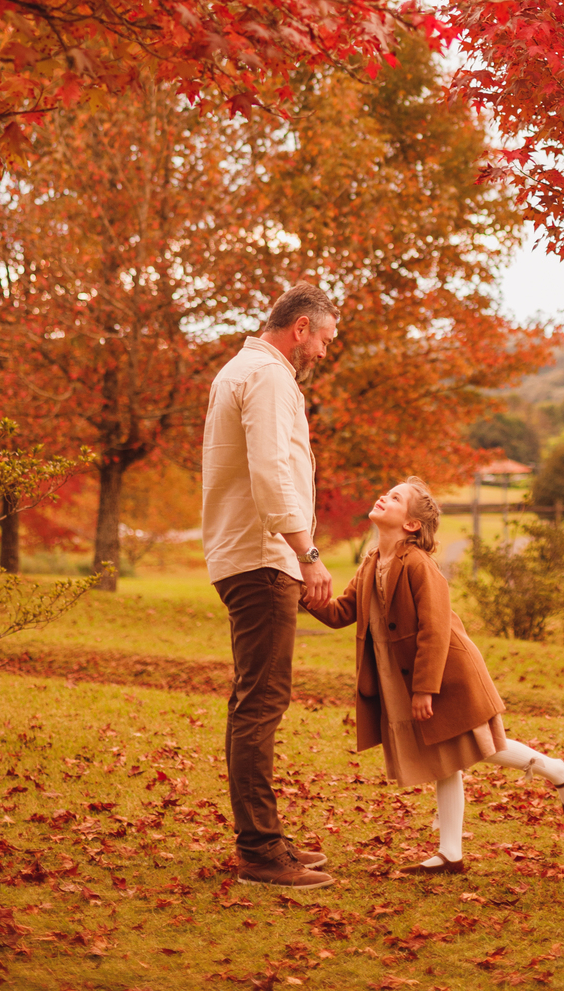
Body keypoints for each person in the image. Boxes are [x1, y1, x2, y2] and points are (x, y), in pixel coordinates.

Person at [302, 476, 564, 873]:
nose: (385, 495)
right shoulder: (371, 564)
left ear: (412, 524)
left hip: (446, 672)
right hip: (410, 675)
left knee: (476, 744)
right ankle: (452, 853)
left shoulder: (418, 564)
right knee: (447, 758)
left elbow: (434, 627)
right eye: (387, 491)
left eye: (396, 497)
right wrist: (302, 588)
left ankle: (556, 770)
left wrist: (424, 689)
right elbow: (339, 613)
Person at [202, 280, 338, 889]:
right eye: (325, 339)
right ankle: (259, 851)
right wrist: (306, 553)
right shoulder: (270, 377)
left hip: (250, 554)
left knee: (255, 701)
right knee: (260, 704)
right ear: (301, 327)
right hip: (262, 558)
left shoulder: (244, 369)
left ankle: (266, 838)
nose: (325, 353)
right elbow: (270, 471)